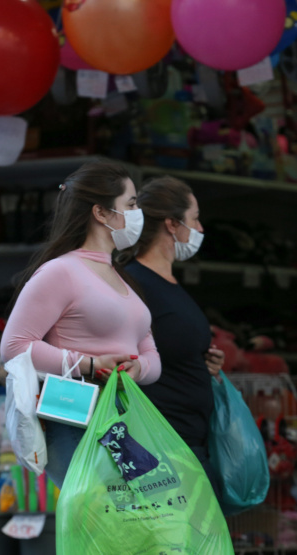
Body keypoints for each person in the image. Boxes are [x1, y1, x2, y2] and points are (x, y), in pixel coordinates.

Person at [0, 160, 161, 489]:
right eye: (130, 205)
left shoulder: (121, 278)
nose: (137, 214)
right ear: (101, 213)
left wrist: (137, 369)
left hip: (125, 419)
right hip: (75, 417)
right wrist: (89, 365)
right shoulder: (60, 272)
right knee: (101, 529)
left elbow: (152, 356)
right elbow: (14, 346)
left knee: (130, 529)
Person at [123, 175, 226, 501]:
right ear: (172, 224)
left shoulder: (165, 283)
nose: (200, 229)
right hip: (159, 451)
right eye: (194, 219)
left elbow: (168, 348)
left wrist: (202, 363)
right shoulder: (134, 284)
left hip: (185, 446)